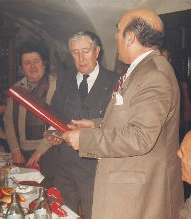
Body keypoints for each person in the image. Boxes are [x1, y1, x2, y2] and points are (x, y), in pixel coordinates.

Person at [60, 9, 184, 219]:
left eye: (118, 31)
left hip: (139, 192)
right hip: (131, 185)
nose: (115, 36)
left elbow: (140, 136)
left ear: (131, 38)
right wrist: (96, 125)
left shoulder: (154, 75)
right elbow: (131, 118)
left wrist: (86, 139)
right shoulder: (142, 69)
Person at [45, 31, 118, 218]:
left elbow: (118, 125)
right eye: (75, 52)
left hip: (95, 169)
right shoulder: (64, 79)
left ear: (97, 51)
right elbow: (54, 114)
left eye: (85, 51)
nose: (80, 58)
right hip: (64, 168)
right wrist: (52, 133)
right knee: (63, 214)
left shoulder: (114, 81)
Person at [4, 40, 57, 169]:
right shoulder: (16, 89)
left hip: (52, 152)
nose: (32, 67)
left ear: (44, 63)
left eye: (36, 61)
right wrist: (15, 149)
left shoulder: (56, 86)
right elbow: (9, 121)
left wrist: (40, 150)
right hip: (22, 154)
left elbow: (60, 121)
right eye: (27, 63)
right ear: (21, 69)